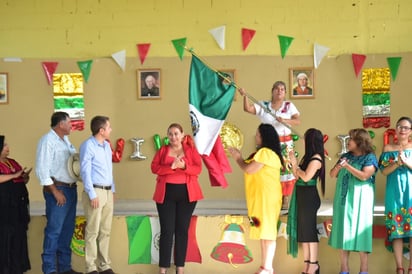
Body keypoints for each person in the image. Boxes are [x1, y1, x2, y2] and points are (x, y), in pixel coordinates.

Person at [228, 123, 284, 274]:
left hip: (267, 199)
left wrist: (238, 158)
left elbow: (249, 169)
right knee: (263, 232)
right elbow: (250, 166)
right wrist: (240, 157)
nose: (256, 137)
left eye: (258, 134)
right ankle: (264, 266)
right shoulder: (264, 153)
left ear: (264, 137)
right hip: (260, 199)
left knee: (268, 233)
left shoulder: (265, 152)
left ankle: (268, 267)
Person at [239, 81, 300, 211]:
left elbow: (297, 120)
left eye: (282, 89)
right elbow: (248, 109)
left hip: (284, 142)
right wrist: (244, 96)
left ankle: (285, 198)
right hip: (268, 144)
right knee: (267, 169)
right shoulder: (264, 105)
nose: (279, 91)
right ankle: (269, 196)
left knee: (285, 169)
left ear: (285, 93)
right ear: (272, 90)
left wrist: (285, 120)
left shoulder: (289, 106)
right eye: (277, 89)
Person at [151, 123, 203, 274]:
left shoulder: (191, 151)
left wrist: (184, 167)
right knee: (167, 231)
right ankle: (163, 269)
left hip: (187, 195)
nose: (173, 137)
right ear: (167, 136)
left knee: (182, 230)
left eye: (176, 134)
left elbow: (198, 169)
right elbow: (154, 168)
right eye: (170, 134)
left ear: (182, 135)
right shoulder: (163, 150)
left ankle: (180, 268)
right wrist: (171, 167)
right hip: (166, 194)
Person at [35, 111, 82, 274]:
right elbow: (42, 170)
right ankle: (49, 269)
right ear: (61, 124)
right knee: (54, 230)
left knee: (67, 231)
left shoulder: (66, 141)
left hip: (70, 189)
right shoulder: (48, 141)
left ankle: (64, 268)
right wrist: (55, 192)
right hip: (58, 189)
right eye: (69, 122)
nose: (71, 125)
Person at [328, 128, 377, 274]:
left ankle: (364, 270)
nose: (348, 141)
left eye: (351, 139)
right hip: (343, 200)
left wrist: (347, 166)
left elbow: (364, 176)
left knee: (361, 232)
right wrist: (338, 166)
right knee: (343, 231)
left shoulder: (370, 157)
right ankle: (344, 269)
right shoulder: (345, 155)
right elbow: (332, 174)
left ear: (360, 142)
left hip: (362, 201)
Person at [80, 115, 116, 274]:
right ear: (101, 130)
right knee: (93, 230)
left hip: (107, 192)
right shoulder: (88, 146)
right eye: (108, 127)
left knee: (105, 230)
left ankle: (104, 265)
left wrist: (112, 190)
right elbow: (85, 171)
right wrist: (91, 193)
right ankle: (91, 267)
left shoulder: (107, 146)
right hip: (95, 191)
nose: (110, 130)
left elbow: (109, 170)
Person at [287, 128, 325, 274]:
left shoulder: (316, 159)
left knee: (309, 231)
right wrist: (293, 165)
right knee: (304, 232)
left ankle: (314, 264)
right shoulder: (307, 157)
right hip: (302, 195)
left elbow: (306, 177)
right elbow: (298, 175)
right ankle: (307, 263)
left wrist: (296, 166)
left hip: (309, 198)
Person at [379, 117, 412, 274]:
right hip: (394, 193)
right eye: (400, 127)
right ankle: (399, 268)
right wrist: (397, 163)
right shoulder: (388, 148)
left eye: (406, 127)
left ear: (410, 131)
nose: (402, 130)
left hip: (411, 193)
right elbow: (384, 171)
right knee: (396, 230)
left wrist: (406, 162)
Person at [0, 135, 31, 274]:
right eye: (5, 146)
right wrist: (14, 176)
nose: (7, 148)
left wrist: (24, 176)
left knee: (18, 236)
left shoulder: (12, 162)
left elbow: (21, 178)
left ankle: (17, 267)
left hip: (18, 207)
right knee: (5, 237)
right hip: (4, 209)